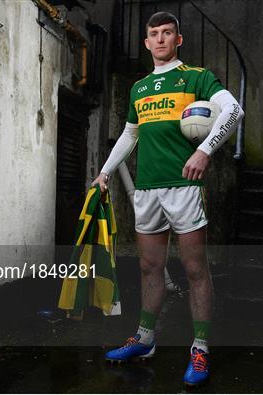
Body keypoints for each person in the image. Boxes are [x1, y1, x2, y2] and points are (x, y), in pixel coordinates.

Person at [92, 11, 244, 386]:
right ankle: (144, 339)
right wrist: (106, 172)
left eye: (167, 33)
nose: (160, 39)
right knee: (149, 268)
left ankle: (201, 348)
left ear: (178, 40)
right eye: (154, 34)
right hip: (147, 189)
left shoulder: (196, 77)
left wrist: (205, 150)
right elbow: (130, 135)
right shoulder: (139, 88)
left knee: (195, 270)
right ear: (146, 43)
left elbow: (233, 110)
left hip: (184, 188)